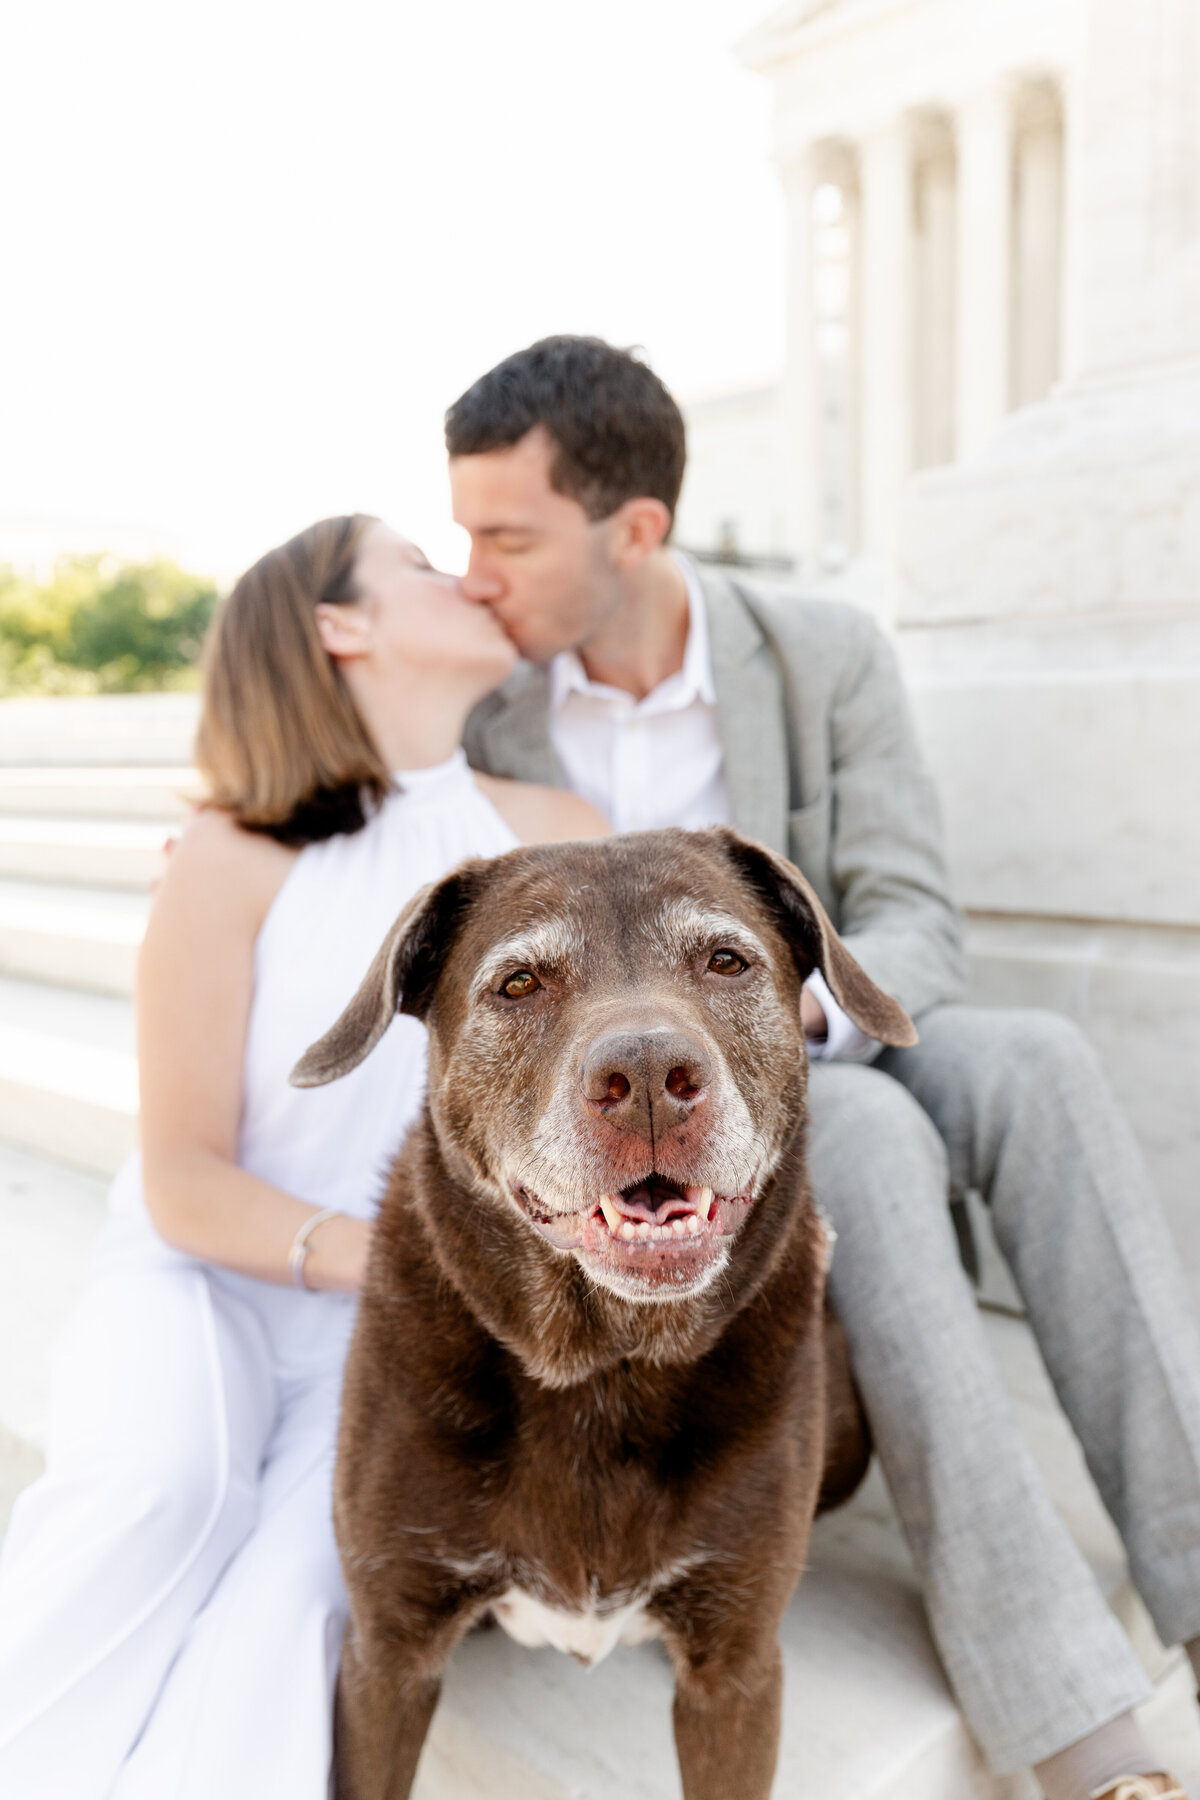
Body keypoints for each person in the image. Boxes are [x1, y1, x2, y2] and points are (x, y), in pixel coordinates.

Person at [445, 334, 1200, 1800]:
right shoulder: (499, 713)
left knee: (1034, 1061)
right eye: (465, 532)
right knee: (858, 1137)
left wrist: (787, 1021)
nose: (475, 569)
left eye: (507, 535)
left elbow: (916, 905)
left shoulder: (822, 652)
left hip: (832, 1022)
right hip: (689, 1104)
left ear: (635, 530)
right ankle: (1078, 1730)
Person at [0, 514, 606, 1800]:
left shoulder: (561, 834)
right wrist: (400, 1252)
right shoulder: (231, 854)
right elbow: (181, 1173)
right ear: (342, 626)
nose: (466, 574)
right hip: (204, 1277)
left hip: (412, 1333)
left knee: (297, 1598)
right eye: (422, 566)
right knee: (158, 1492)